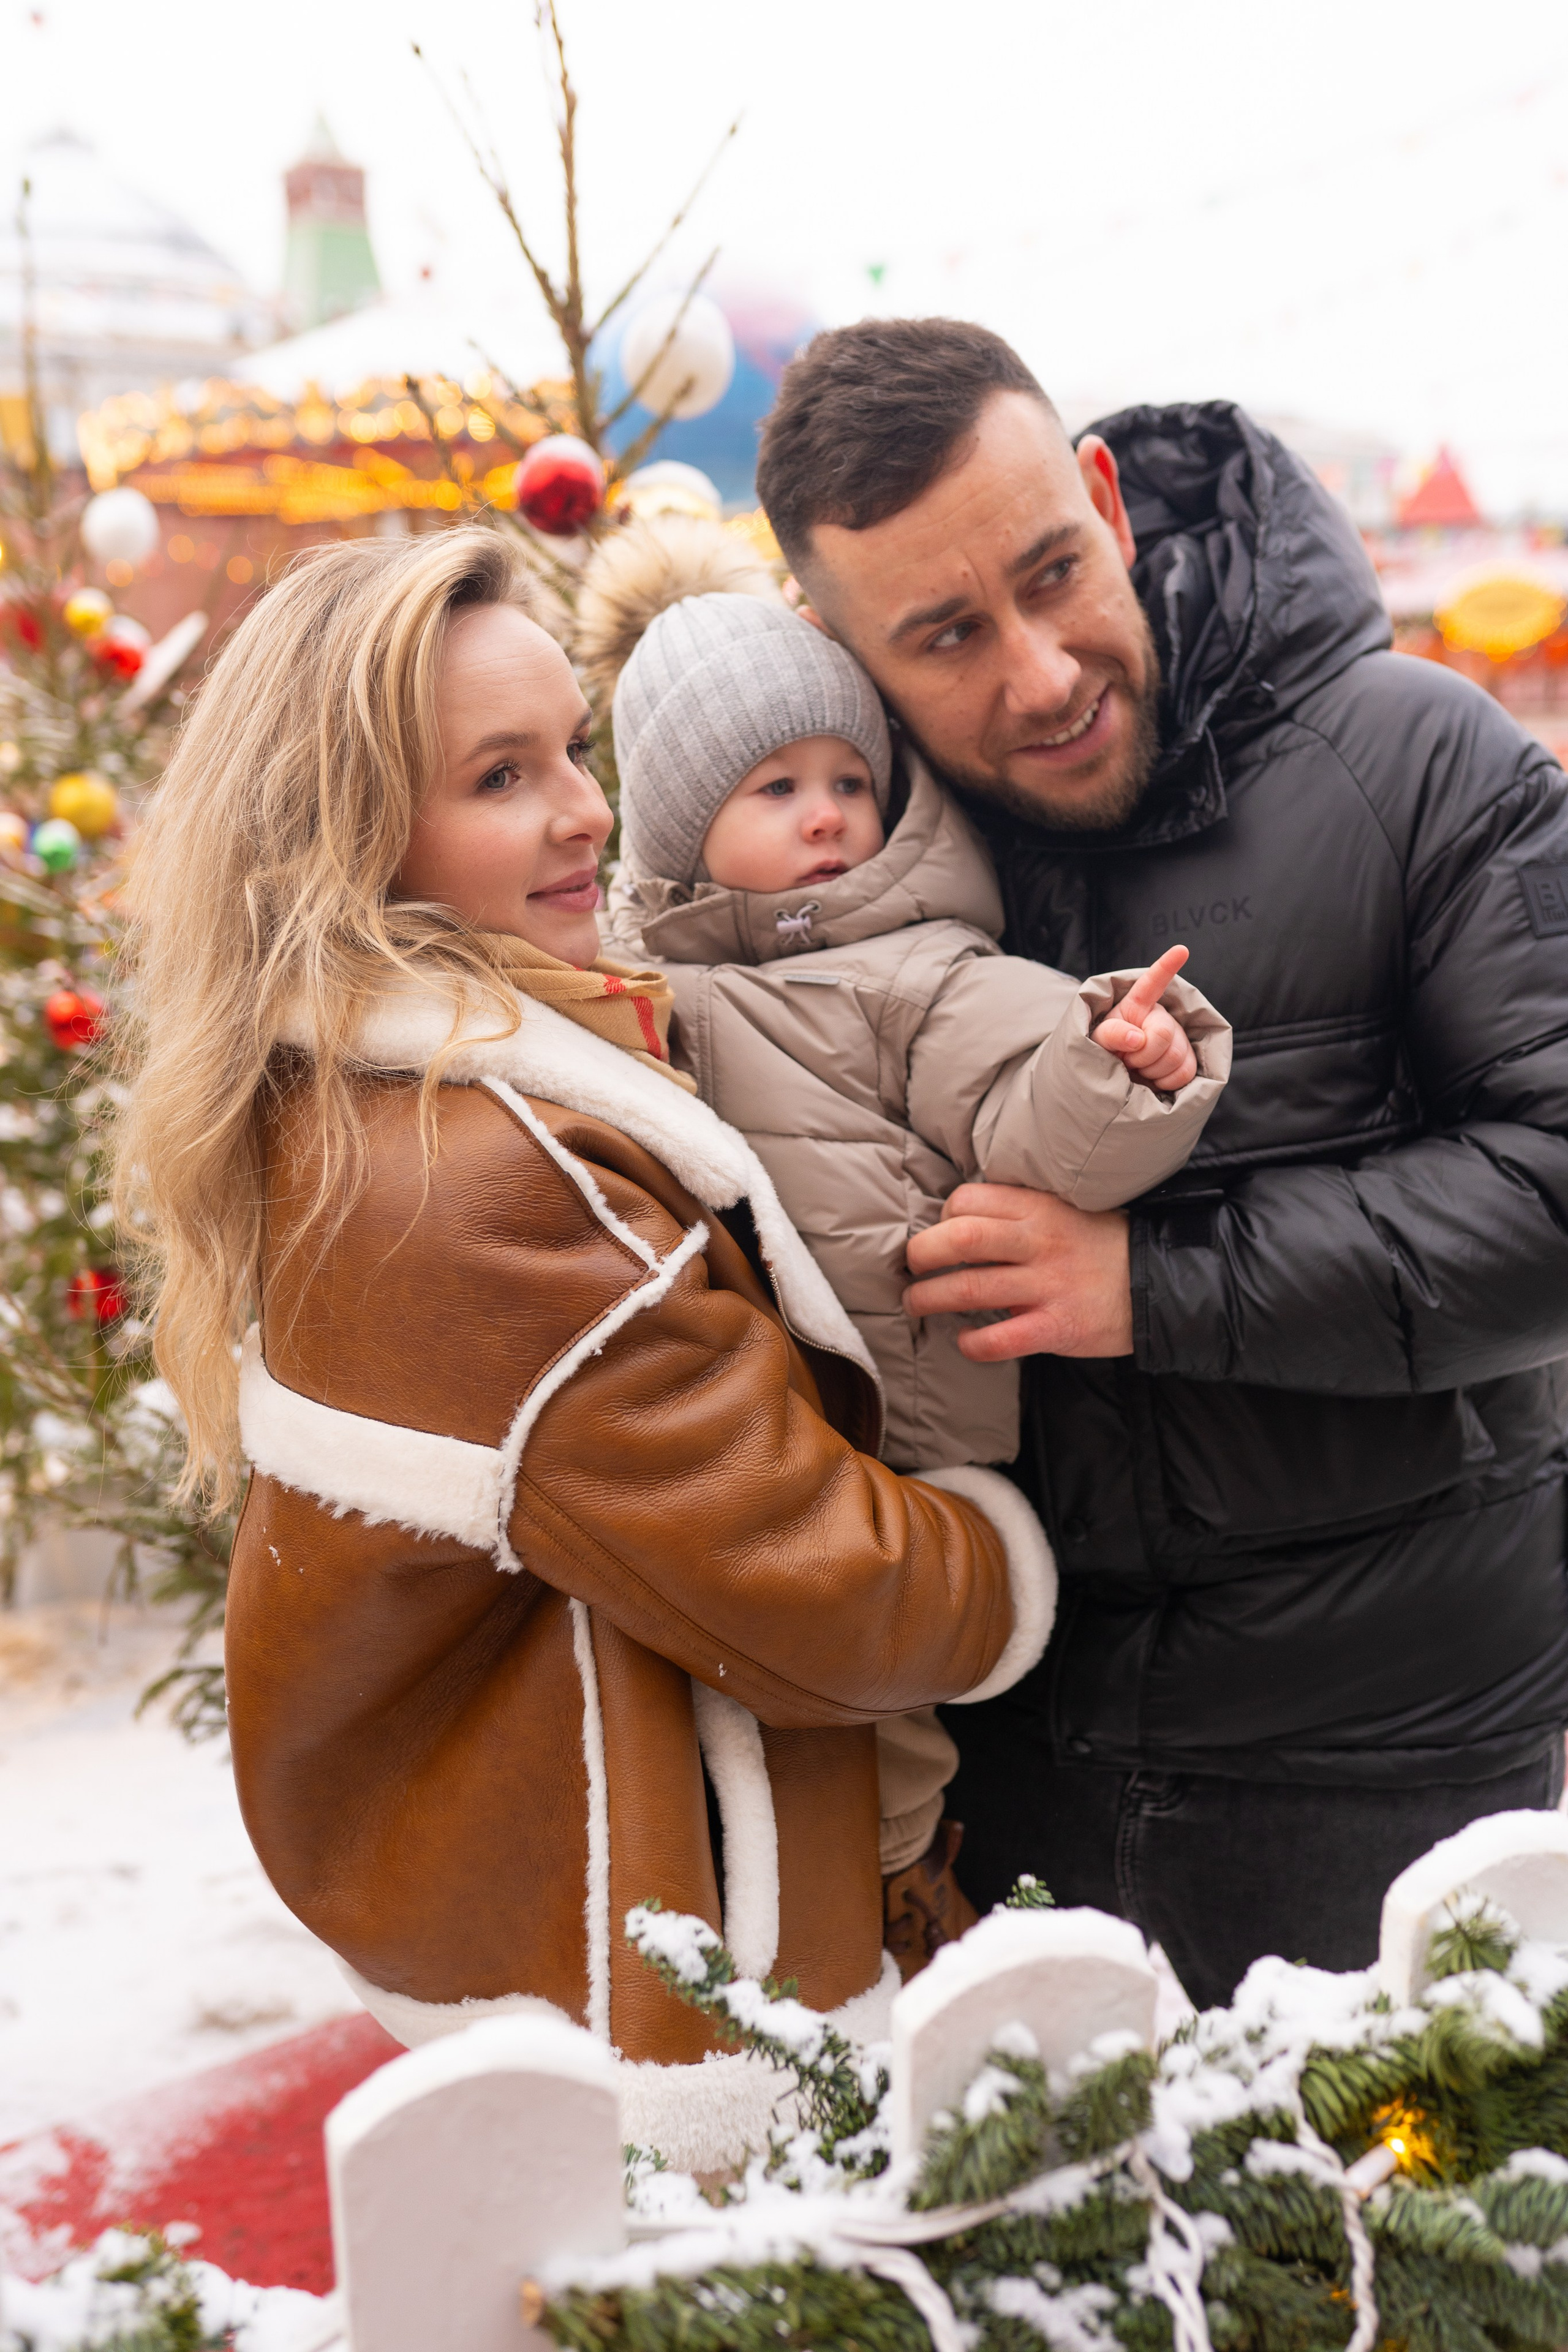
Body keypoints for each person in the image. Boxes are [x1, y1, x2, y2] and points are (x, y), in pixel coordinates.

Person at [111, 527, 1054, 2168]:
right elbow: (828, 1584)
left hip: (544, 1926)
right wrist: (1010, 1542)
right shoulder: (492, 1184)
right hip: (690, 1988)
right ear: (352, 837)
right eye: (502, 776)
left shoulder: (386, 1094)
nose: (588, 810)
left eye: (572, 747)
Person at [755, 317, 1568, 2010]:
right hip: (998, 1775)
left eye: (1056, 572)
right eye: (948, 636)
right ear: (832, 644)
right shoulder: (832, 874)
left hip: (1377, 1769)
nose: (1042, 672)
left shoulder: (1424, 763)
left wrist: (1151, 1284)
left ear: (1110, 501)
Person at [580, 522, 1230, 1973]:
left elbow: (1029, 1107)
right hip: (722, 1434)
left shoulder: (911, 966)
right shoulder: (638, 984)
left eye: (848, 782)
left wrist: (1120, 1061)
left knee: (877, 1720)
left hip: (895, 1432)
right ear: (679, 830)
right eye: (776, 788)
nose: (825, 815)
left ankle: (891, 1905)